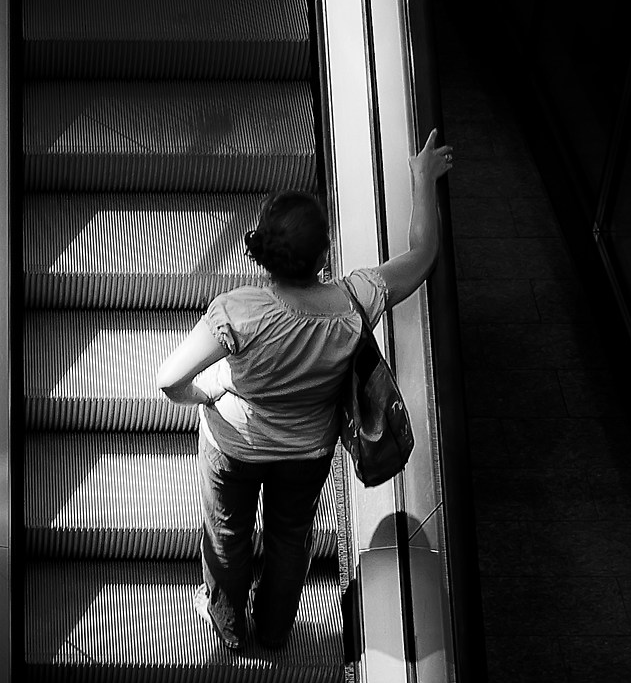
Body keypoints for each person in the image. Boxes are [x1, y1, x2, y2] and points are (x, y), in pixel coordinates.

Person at [155, 130, 455, 655]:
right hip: (307, 452)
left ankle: (228, 625)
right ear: (323, 254)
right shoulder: (355, 300)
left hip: (233, 446)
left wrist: (207, 395)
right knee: (290, 540)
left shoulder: (239, 311)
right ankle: (272, 636)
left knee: (227, 537)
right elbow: (424, 253)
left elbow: (168, 380)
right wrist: (421, 177)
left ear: (264, 252)